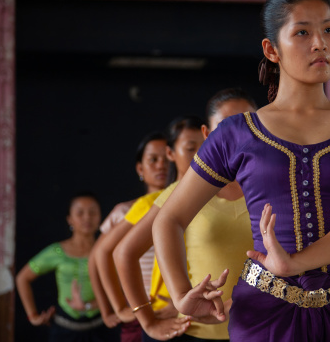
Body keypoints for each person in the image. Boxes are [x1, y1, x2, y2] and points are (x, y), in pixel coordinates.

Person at [152, 0, 330, 342]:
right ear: (272, 50)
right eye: (302, 32)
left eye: (329, 29)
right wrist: (181, 296)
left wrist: (294, 264)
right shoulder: (236, 133)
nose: (320, 43)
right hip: (261, 314)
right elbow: (169, 219)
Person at [114, 89, 257, 342]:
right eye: (226, 127)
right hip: (191, 333)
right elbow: (124, 252)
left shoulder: (275, 188)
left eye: (248, 124)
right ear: (207, 134)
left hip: (258, 331)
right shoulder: (182, 193)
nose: (240, 135)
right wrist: (147, 321)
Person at [113, 115, 206, 341]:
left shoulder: (228, 193)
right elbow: (116, 252)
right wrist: (126, 312)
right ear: (171, 154)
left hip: (220, 320)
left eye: (205, 147)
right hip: (174, 319)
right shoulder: (167, 196)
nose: (200, 155)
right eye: (190, 148)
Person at [88, 132, 169, 341]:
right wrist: (111, 310)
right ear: (140, 169)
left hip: (172, 306)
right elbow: (96, 257)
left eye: (166, 158)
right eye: (153, 159)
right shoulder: (125, 211)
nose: (161, 165)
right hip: (139, 307)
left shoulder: (186, 205)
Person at [16, 192, 119, 342]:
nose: (87, 217)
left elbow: (121, 289)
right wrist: (33, 316)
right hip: (65, 331)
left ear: (100, 217)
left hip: (103, 328)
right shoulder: (57, 251)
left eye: (92, 212)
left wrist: (90, 305)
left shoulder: (108, 250)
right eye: (80, 213)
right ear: (69, 219)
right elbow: (22, 278)